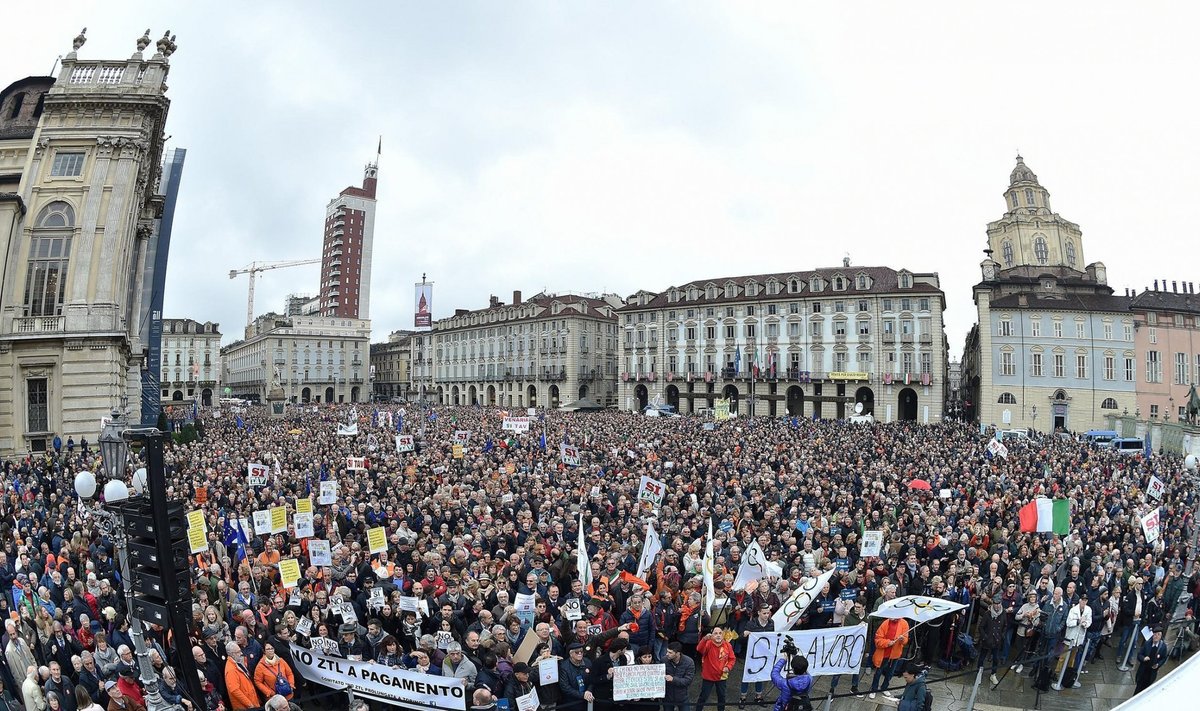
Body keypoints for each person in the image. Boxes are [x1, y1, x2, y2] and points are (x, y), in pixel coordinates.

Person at [694, 627, 735, 711]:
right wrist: (704, 639)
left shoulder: (727, 645)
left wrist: (728, 667)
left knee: (722, 696)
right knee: (703, 696)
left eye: (720, 633)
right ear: (711, 635)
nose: (718, 635)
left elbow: (732, 659)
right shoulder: (708, 643)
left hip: (721, 677)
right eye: (715, 633)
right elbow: (699, 649)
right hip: (708, 676)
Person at [869, 616, 909, 699]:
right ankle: (874, 689)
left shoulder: (904, 623)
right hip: (883, 654)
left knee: (890, 673)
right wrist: (888, 643)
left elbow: (905, 640)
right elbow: (877, 640)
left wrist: (902, 639)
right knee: (878, 672)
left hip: (895, 655)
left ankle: (884, 687)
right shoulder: (885, 623)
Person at [977, 598, 1008, 686]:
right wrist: (985, 637)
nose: (997, 606)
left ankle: (993, 674)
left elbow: (1005, 625)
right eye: (995, 603)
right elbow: (981, 627)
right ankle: (979, 673)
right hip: (987, 640)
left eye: (999, 603)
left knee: (996, 658)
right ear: (993, 604)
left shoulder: (1003, 613)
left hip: (997, 640)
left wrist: (1002, 635)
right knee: (982, 658)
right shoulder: (987, 614)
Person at [223, 641, 260, 711]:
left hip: (251, 702)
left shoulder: (237, 663)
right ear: (232, 654)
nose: (241, 653)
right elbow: (234, 690)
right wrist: (249, 704)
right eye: (238, 652)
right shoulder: (231, 670)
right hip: (245, 707)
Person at [663, 641, 695, 711]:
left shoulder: (689, 662)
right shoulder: (664, 660)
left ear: (677, 653)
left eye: (670, 652)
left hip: (682, 697)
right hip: (668, 697)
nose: (667, 654)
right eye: (667, 651)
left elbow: (688, 681)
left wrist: (673, 679)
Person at [1134, 627, 1168, 694]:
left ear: (1161, 637)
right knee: (1138, 688)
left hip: (1151, 673)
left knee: (1146, 690)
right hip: (1143, 671)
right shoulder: (1147, 643)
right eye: (1155, 634)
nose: (1156, 636)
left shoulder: (1163, 647)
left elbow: (1164, 658)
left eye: (1158, 635)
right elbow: (1139, 654)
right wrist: (1143, 658)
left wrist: (1158, 664)